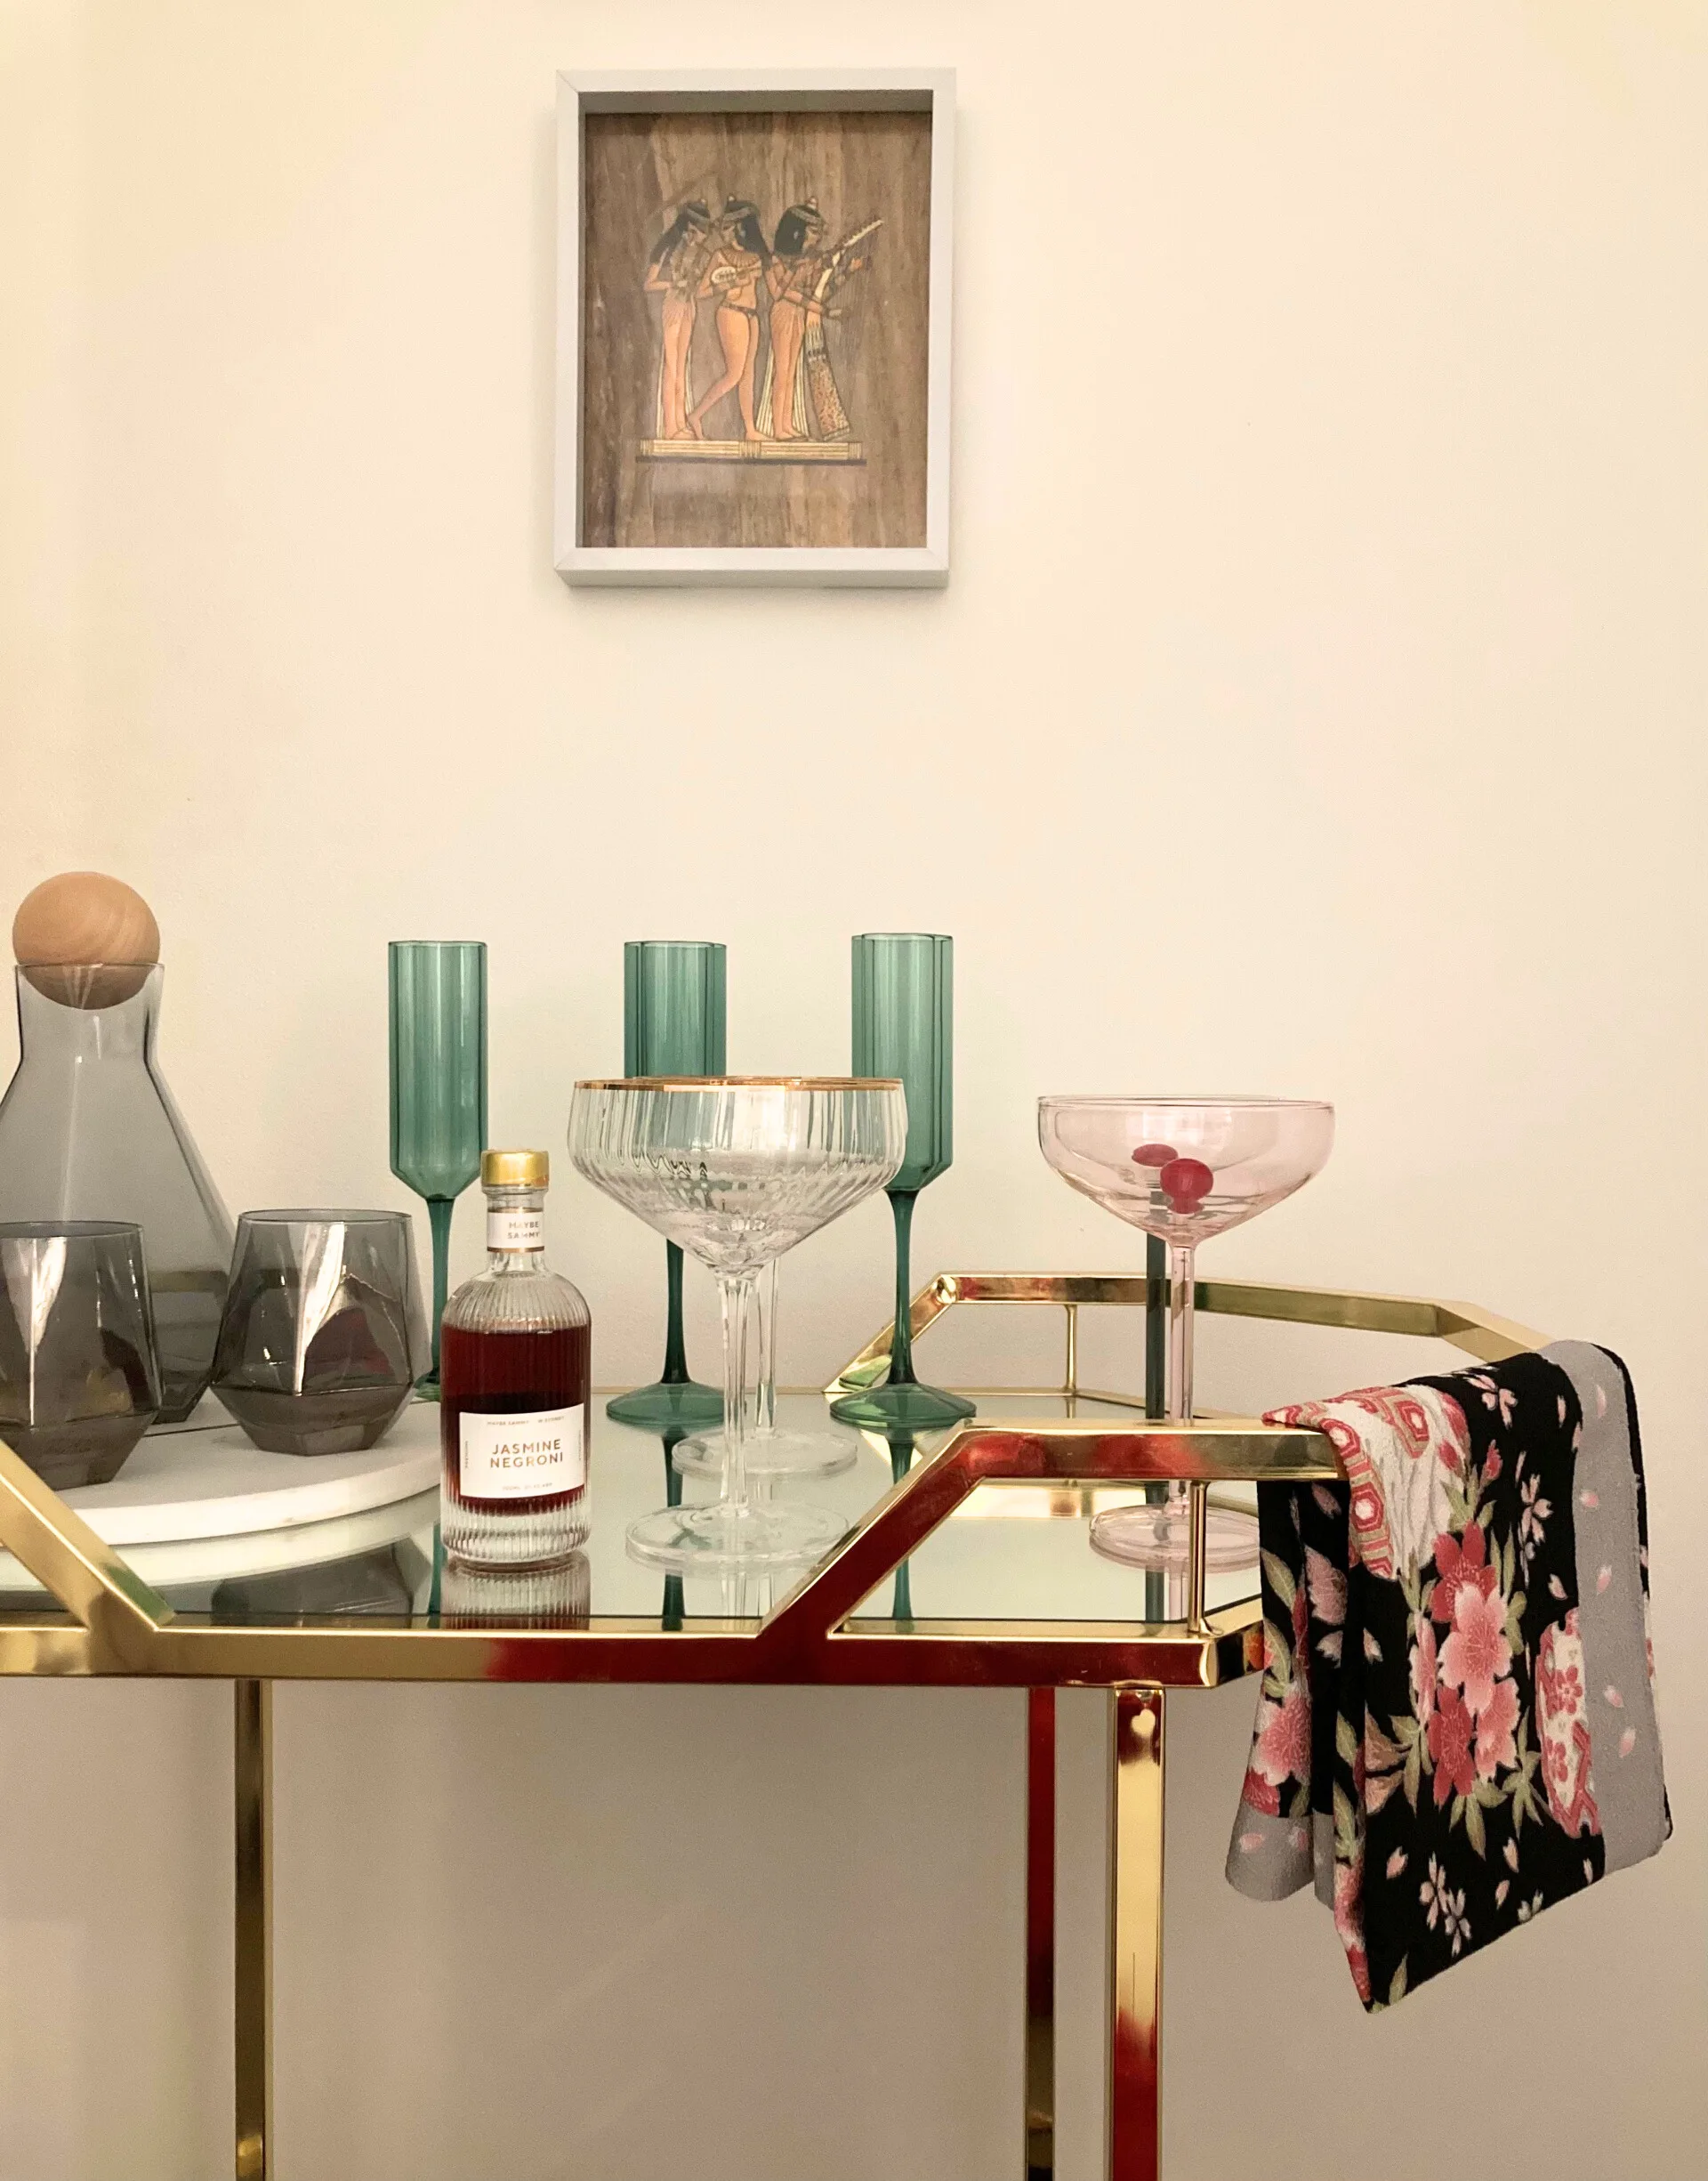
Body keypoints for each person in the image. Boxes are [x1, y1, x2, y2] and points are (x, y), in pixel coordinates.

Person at [686, 198, 769, 443]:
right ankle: (696, 415)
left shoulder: (755, 255)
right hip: (731, 313)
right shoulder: (720, 255)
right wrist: (731, 283)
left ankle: (750, 429)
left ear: (740, 228)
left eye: (727, 227)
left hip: (751, 315)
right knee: (734, 374)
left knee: (748, 375)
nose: (722, 232)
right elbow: (701, 292)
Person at [758, 198, 827, 441]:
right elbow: (778, 293)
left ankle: (786, 424)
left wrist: (817, 270)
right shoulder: (775, 260)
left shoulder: (808, 258)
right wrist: (795, 268)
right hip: (782, 312)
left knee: (792, 371)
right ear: (798, 230)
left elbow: (810, 292)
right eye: (813, 231)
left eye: (819, 232)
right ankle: (778, 428)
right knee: (783, 369)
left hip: (798, 313)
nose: (817, 237)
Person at [641, 199, 712, 441]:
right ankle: (670, 425)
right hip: (673, 302)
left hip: (688, 304)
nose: (703, 236)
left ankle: (680, 421)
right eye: (700, 230)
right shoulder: (668, 246)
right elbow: (648, 284)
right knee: (672, 364)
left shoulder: (699, 253)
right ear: (690, 228)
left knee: (683, 364)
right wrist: (673, 284)